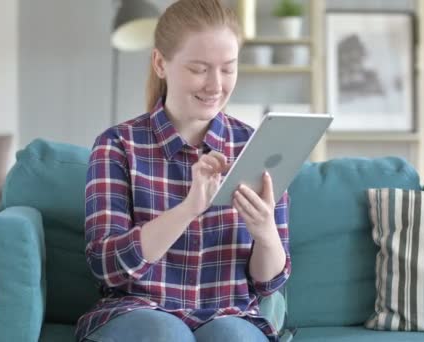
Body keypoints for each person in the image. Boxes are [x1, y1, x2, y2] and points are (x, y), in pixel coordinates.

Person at [77, 1, 291, 341]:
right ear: (161, 63)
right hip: (139, 311)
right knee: (165, 334)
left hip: (230, 313)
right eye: (199, 69)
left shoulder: (257, 146)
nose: (215, 85)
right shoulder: (117, 145)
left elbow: (268, 283)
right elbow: (108, 267)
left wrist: (265, 232)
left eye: (228, 68)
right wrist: (189, 208)